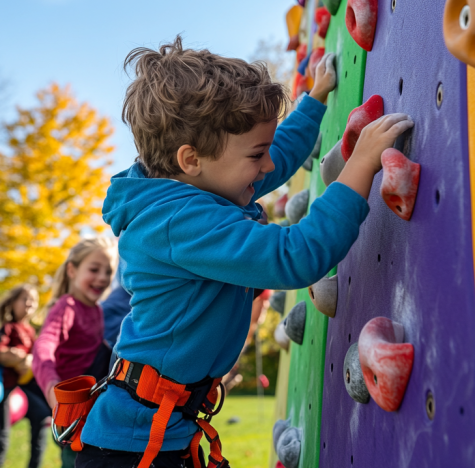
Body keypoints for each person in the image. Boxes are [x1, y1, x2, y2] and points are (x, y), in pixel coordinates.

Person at [72, 37, 413, 468]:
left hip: (159, 429)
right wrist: (361, 163)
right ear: (190, 158)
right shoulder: (178, 221)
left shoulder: (198, 185)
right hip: (133, 447)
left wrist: (315, 98)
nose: (267, 166)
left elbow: (276, 156)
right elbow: (297, 255)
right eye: (256, 155)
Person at [33, 237, 117, 468]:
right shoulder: (66, 307)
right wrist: (53, 390)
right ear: (72, 269)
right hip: (71, 412)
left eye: (108, 271)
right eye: (94, 269)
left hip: (92, 407)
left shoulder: (96, 311)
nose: (102, 277)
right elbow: (43, 347)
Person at [0, 284, 52, 468]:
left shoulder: (32, 331)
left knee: (43, 417)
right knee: (0, 436)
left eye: (33, 300)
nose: (30, 303)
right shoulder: (8, 328)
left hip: (24, 390)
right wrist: (20, 358)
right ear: (13, 302)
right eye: (25, 299)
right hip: (5, 389)